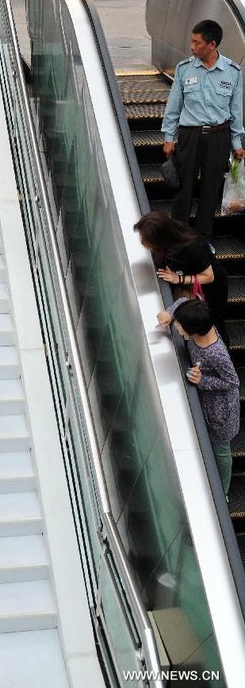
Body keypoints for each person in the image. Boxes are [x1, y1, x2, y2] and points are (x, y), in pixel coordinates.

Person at [161, 19, 245, 240]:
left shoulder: (232, 72)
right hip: (190, 136)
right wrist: (169, 137)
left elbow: (236, 111)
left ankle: (202, 241)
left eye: (196, 43)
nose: (192, 47)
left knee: (210, 192)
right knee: (183, 190)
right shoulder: (184, 69)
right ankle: (178, 238)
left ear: (212, 44)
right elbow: (173, 107)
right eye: (192, 42)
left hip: (219, 137)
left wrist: (237, 143)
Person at [156, 298, 239, 495]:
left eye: (181, 325)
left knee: (221, 450)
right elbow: (185, 300)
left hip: (220, 413)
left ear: (194, 329)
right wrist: (170, 312)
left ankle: (223, 491)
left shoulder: (216, 354)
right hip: (208, 404)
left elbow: (233, 381)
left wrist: (202, 380)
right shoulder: (201, 322)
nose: (177, 327)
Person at [134, 211, 230, 345]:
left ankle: (220, 354)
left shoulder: (192, 247)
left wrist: (179, 279)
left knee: (212, 324)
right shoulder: (168, 243)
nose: (142, 242)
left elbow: (209, 277)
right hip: (190, 284)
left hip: (211, 289)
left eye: (145, 240)